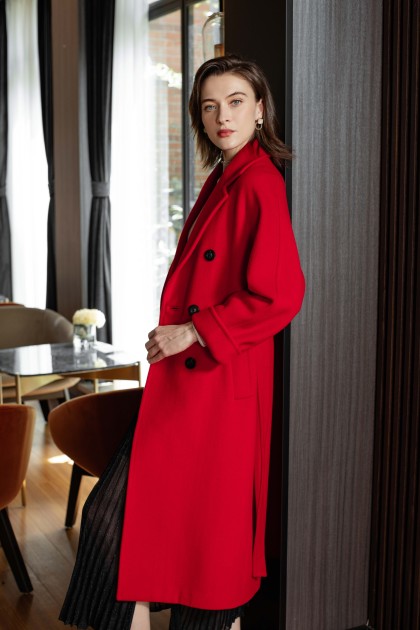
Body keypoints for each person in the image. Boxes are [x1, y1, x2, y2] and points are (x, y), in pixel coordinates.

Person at [59, 55, 305, 630]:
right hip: (194, 385)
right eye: (210, 107)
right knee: (140, 528)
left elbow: (281, 296)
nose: (223, 117)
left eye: (236, 102)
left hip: (218, 386)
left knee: (196, 542)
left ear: (260, 108)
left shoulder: (259, 181)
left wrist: (192, 331)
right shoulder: (227, 174)